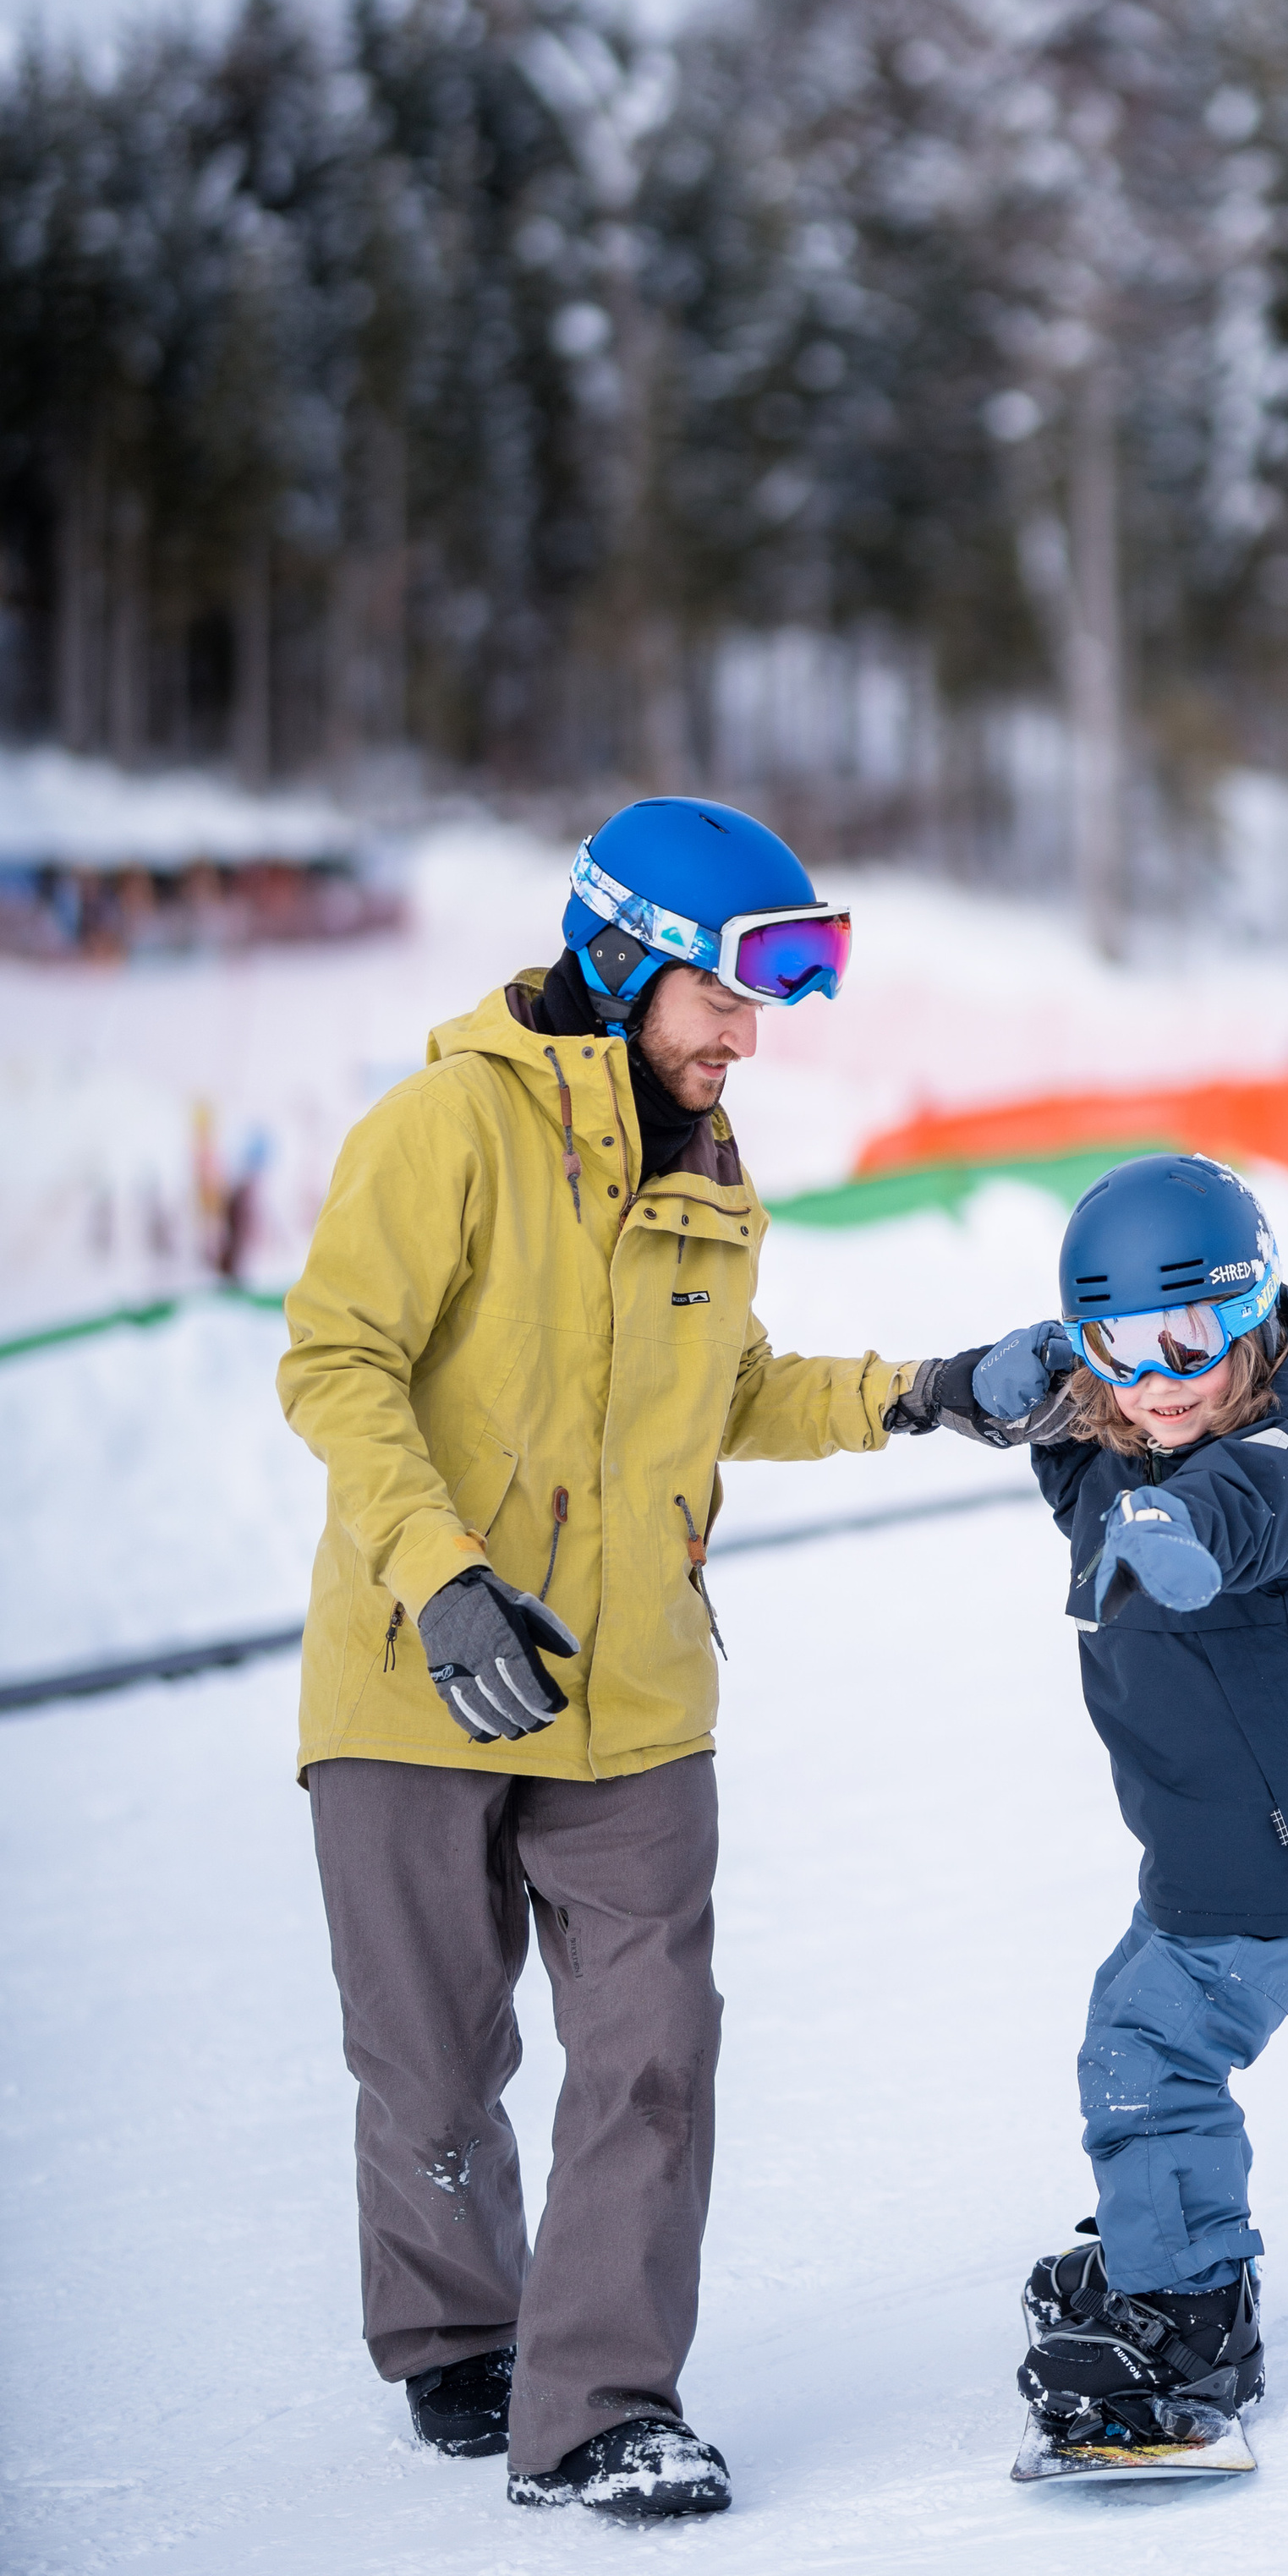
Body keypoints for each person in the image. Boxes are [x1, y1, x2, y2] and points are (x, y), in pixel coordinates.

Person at [282, 796, 947, 2522]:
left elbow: (731, 1391)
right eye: (724, 997)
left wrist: (916, 1394)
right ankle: (458, 2332)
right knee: (432, 2068)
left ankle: (598, 2404)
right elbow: (337, 1362)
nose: (749, 1038)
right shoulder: (447, 1127)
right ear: (622, 959)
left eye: (766, 1004)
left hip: (634, 1692)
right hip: (419, 1678)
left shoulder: (711, 1174)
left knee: (654, 2053)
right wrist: (444, 1581)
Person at [918, 1153, 1288, 2459]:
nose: (1162, 1378)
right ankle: (1157, 2243)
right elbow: (1087, 1438)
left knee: (1152, 2055)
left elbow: (1254, 1499)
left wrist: (1178, 1531)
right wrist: (1001, 1388)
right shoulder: (1138, 1413)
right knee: (1133, 2026)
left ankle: (1188, 2319)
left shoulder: (1279, 1455)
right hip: (1204, 1831)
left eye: (1193, 1339)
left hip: (1270, 1851)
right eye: (1123, 1345)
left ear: (1255, 1317)